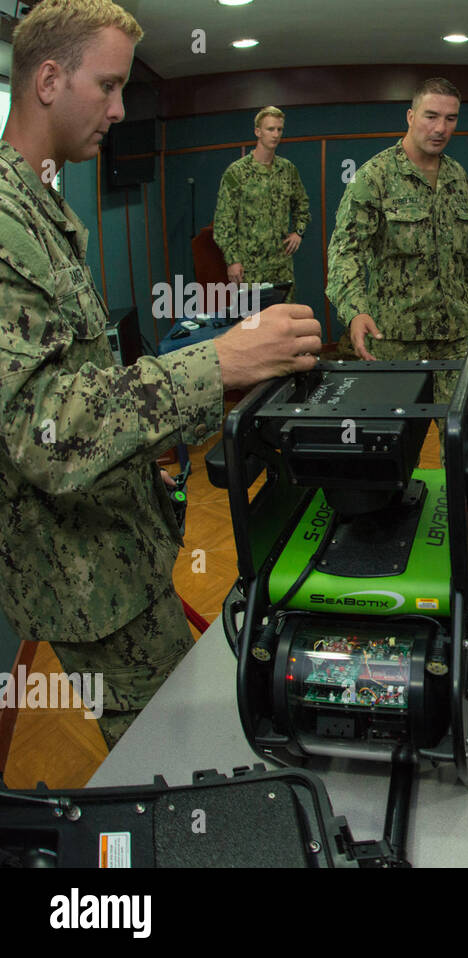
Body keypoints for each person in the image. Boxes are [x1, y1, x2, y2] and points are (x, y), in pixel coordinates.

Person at [0, 0, 322, 750]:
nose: (119, 109)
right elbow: (45, 432)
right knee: (177, 762)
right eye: (108, 86)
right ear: (49, 79)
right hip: (83, 578)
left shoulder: (36, 203)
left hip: (113, 553)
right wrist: (215, 361)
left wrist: (218, 388)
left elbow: (85, 380)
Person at [326, 77, 468, 411]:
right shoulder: (373, 177)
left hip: (458, 332)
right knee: (394, 442)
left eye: (451, 118)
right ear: (410, 116)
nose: (440, 128)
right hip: (396, 339)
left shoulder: (457, 176)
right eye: (431, 116)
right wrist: (355, 311)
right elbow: (346, 251)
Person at [212, 105, 310, 303]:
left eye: (279, 129)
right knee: (254, 325)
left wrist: (298, 232)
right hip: (250, 268)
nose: (275, 134)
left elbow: (302, 203)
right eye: (270, 129)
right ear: (258, 131)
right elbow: (224, 220)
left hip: (281, 265)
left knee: (285, 321)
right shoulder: (236, 173)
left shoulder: (287, 170)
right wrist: (233, 260)